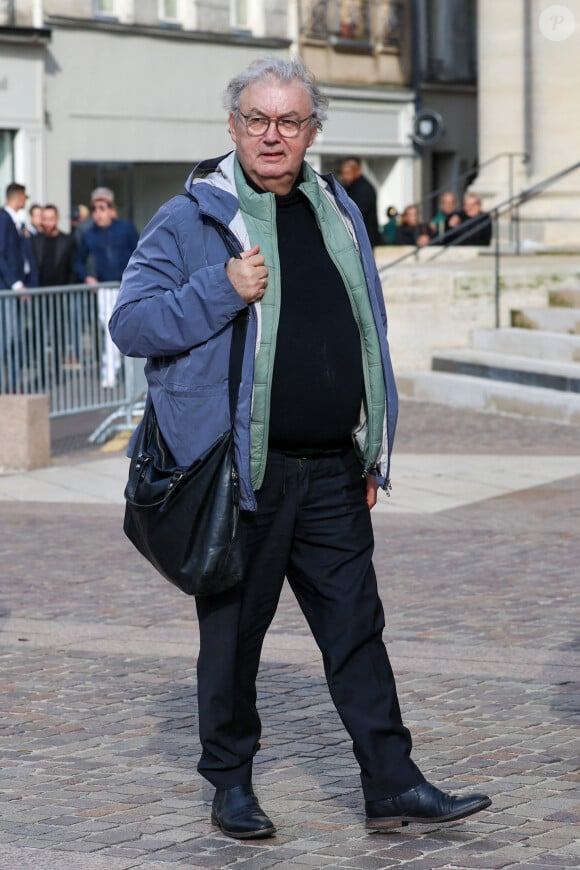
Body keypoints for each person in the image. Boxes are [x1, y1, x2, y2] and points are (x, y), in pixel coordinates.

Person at [109, 56, 491, 840]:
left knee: (357, 629)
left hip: (332, 470)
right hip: (238, 475)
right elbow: (132, 323)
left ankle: (392, 784)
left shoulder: (338, 208)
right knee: (233, 639)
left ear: (313, 131)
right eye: (257, 119)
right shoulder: (191, 219)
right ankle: (231, 785)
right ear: (232, 126)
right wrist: (220, 288)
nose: (272, 135)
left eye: (289, 121)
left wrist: (371, 449)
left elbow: (364, 328)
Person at [74, 187, 139, 389]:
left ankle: (130, 374)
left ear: (111, 210)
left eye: (102, 208)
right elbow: (78, 260)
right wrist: (88, 278)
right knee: (109, 329)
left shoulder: (125, 228)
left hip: (128, 286)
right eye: (95, 209)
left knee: (131, 328)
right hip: (106, 287)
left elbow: (140, 252)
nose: (98, 213)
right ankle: (109, 372)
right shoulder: (90, 234)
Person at [32, 204, 78, 385]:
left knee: (58, 334)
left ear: (57, 219)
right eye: (45, 219)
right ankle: (42, 372)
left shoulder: (67, 240)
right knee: (39, 335)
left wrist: (68, 288)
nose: (48, 223)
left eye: (51, 218)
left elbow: (73, 268)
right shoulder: (34, 241)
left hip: (60, 294)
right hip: (39, 295)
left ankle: (57, 372)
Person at [0, 182, 38, 391]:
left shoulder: (17, 222)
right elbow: (1, 254)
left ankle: (13, 385)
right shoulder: (4, 219)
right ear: (18, 197)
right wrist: (15, 283)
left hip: (17, 289)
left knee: (15, 340)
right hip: (9, 290)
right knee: (7, 339)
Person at [340, 156, 381, 247]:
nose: (345, 177)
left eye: (348, 173)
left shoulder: (364, 189)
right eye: (343, 173)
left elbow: (357, 212)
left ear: (358, 171)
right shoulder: (349, 187)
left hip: (364, 238)